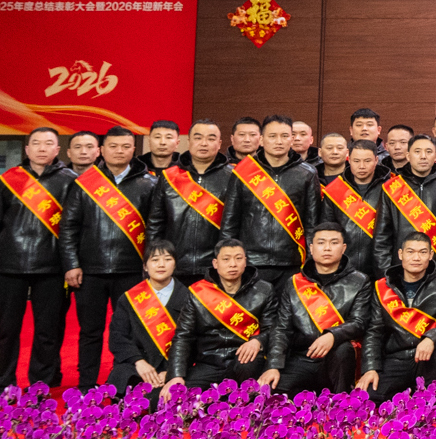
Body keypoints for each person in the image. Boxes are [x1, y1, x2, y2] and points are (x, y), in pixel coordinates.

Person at [59, 125, 156, 387]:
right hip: (90, 271)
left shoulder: (148, 183)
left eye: (125, 146)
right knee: (90, 331)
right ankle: (86, 386)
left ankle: (124, 383)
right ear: (102, 150)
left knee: (130, 331)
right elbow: (68, 227)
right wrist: (71, 264)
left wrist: (150, 266)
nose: (119, 151)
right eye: (113, 146)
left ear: (134, 149)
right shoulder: (84, 183)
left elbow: (155, 228)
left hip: (132, 270)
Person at [0, 126, 76, 386]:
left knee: (48, 330)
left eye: (48, 143)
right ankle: (4, 382)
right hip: (10, 265)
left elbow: (74, 226)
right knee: (6, 329)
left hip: (53, 267)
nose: (42, 148)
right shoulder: (9, 179)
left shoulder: (70, 181)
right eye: (36, 143)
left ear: (57, 149)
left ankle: (42, 384)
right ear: (27, 148)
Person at [262, 222, 370, 394]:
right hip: (303, 356)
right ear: (311, 249)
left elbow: (359, 322)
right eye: (321, 242)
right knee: (274, 392)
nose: (327, 248)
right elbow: (281, 328)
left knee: (344, 350)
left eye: (334, 243)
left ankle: (342, 404)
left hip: (336, 357)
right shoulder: (294, 283)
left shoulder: (360, 281)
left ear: (343, 248)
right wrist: (273, 366)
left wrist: (332, 336)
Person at [356, 230, 436, 402]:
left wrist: (431, 338)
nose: (416, 258)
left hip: (430, 356)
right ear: (401, 254)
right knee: (372, 397)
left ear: (431, 255)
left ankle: (430, 396)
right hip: (397, 357)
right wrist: (370, 368)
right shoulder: (383, 287)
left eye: (423, 252)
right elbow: (374, 331)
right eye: (410, 252)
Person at [219, 114, 319, 287]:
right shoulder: (243, 172)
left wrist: (310, 263)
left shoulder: (307, 173)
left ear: (291, 139)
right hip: (252, 261)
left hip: (292, 262)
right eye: (272, 136)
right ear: (261, 140)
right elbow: (230, 221)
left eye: (284, 136)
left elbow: (312, 223)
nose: (279, 141)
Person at [165, 239, 276, 388]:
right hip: (209, 362)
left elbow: (273, 329)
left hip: (244, 361)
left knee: (249, 367)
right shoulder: (198, 292)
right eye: (226, 259)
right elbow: (183, 336)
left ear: (245, 262)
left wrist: (258, 341)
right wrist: (176, 375)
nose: (233, 264)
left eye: (238, 258)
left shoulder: (264, 290)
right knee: (179, 393)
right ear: (215, 263)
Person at [105, 239, 190, 394]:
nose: (161, 265)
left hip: (175, 366)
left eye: (167, 259)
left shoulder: (188, 298)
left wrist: (173, 371)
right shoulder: (129, 298)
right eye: (155, 260)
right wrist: (138, 362)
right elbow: (118, 336)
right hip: (138, 365)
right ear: (145, 266)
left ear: (175, 264)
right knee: (121, 378)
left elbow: (195, 340)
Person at [373, 135, 436, 286]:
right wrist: (386, 274)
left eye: (428, 152)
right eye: (417, 151)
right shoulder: (392, 187)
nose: (423, 156)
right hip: (400, 268)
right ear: (408, 156)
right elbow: (382, 236)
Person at [317, 140, 383, 276]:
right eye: (356, 161)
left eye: (367, 161)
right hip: (343, 265)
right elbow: (327, 230)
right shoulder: (336, 190)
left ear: (376, 160)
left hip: (379, 264)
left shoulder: (388, 189)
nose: (362, 166)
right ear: (349, 159)